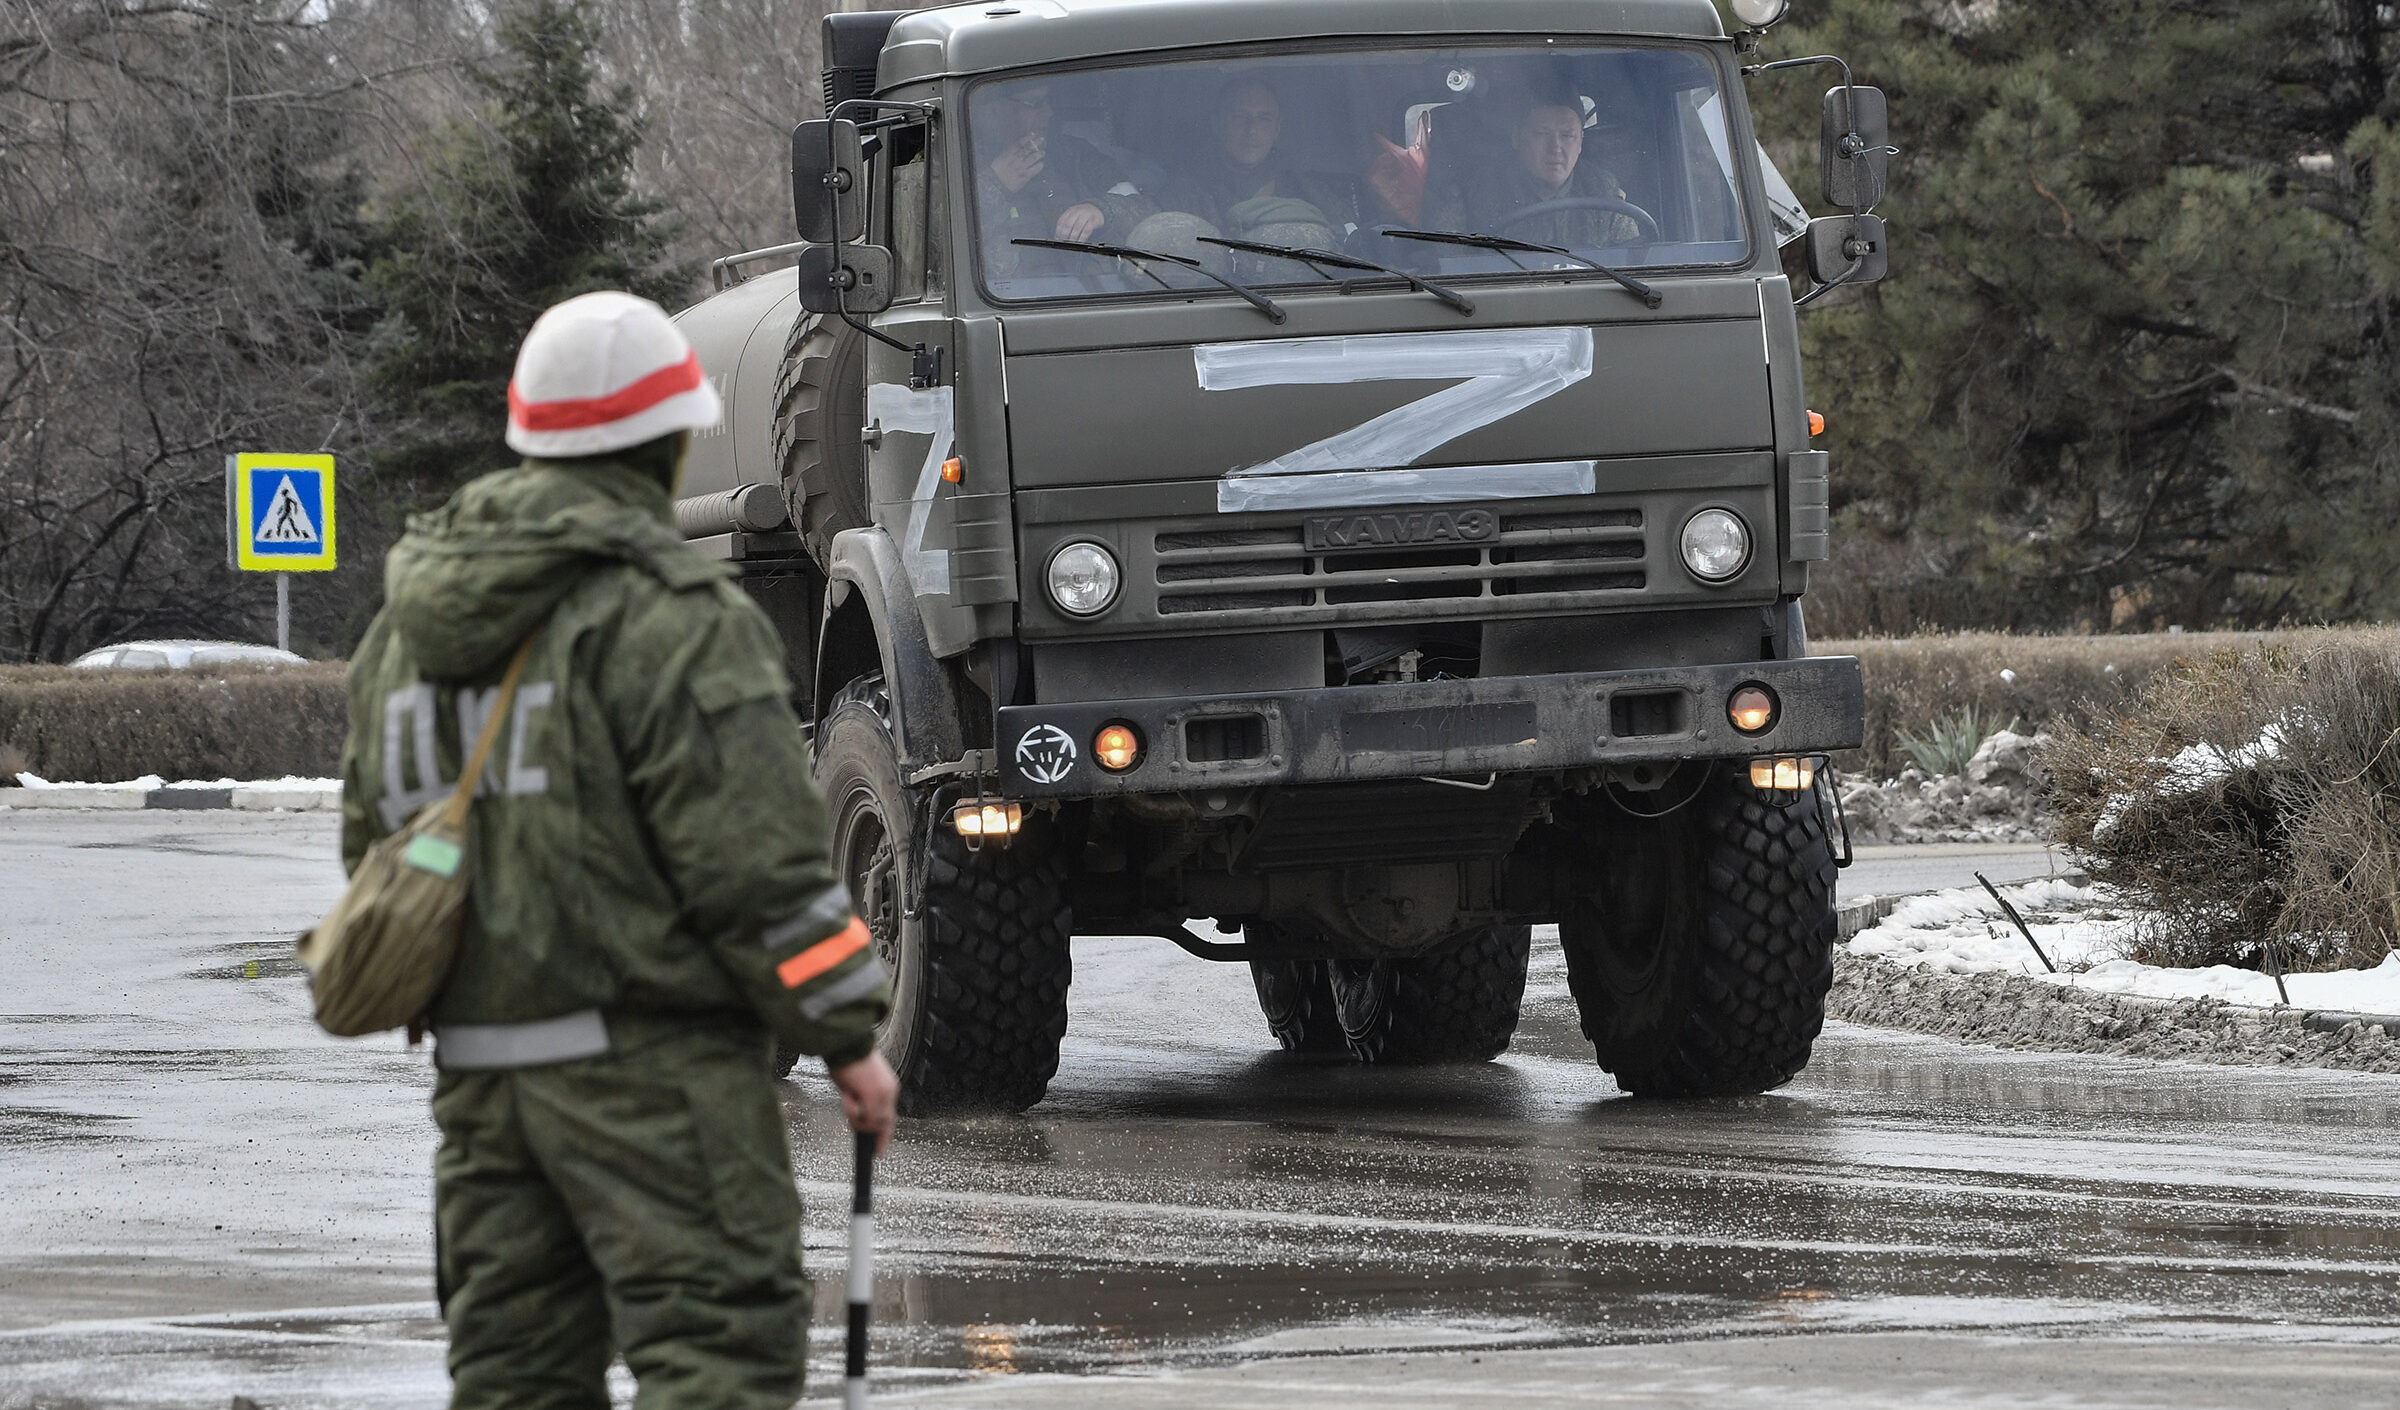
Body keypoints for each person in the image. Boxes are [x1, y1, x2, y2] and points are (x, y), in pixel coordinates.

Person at [340, 290, 900, 1410]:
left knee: (517, 1381)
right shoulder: (673, 620)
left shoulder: (407, 630)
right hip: (660, 1084)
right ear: (661, 445)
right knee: (719, 1367)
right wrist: (847, 1035)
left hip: (486, 1095)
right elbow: (761, 873)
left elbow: (376, 847)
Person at [977, 80, 1156, 265]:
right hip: (1008, 293)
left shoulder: (1074, 154)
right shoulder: (957, 163)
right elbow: (952, 244)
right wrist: (994, 183)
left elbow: (1148, 212)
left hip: (1089, 291)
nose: (1049, 113)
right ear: (992, 112)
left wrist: (1102, 211)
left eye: (1048, 102)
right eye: (1036, 104)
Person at [1429, 97, 1643, 250]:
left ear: (1580, 144)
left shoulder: (1605, 195)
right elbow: (1446, 264)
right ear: (1517, 138)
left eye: (1567, 135)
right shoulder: (1472, 194)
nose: (1556, 147)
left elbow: (1632, 263)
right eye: (1541, 134)